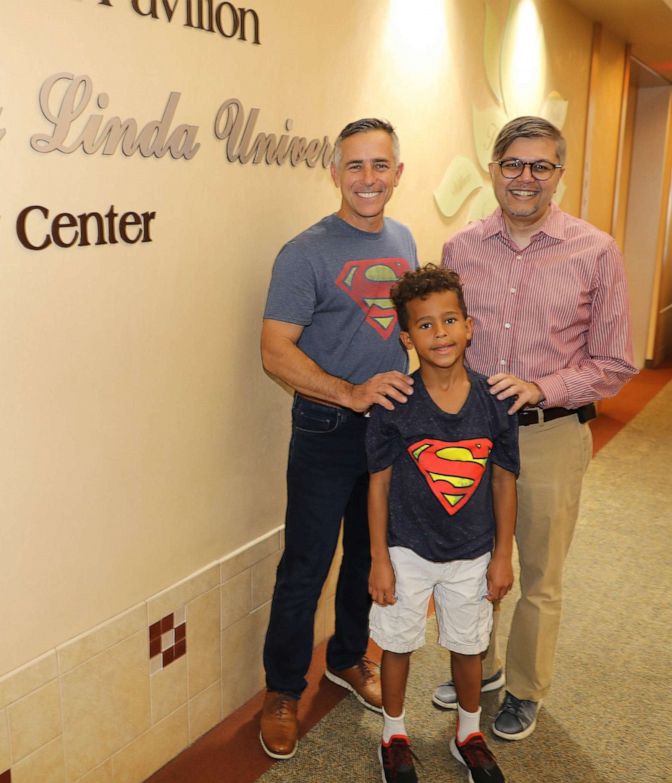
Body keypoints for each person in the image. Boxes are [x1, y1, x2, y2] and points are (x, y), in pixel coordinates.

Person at [436, 116, 637, 741]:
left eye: (541, 166)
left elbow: (616, 362)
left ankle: (525, 689)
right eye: (513, 165)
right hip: (471, 435)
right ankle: (484, 668)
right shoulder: (460, 248)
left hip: (549, 436)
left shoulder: (596, 250)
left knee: (540, 574)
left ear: (559, 175)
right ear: (494, 170)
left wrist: (542, 387)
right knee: (471, 565)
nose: (526, 178)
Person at [258, 118, 418, 760]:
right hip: (327, 429)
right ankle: (281, 691)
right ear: (334, 172)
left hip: (388, 431)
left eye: (380, 166)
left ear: (398, 174)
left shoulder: (403, 238)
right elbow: (274, 352)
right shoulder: (305, 252)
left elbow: (397, 324)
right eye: (355, 166)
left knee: (365, 556)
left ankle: (349, 658)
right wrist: (349, 392)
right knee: (306, 565)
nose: (368, 179)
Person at [367, 264, 518, 783]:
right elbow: (379, 484)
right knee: (397, 642)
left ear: (469, 325)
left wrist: (502, 555)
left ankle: (468, 733)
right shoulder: (394, 404)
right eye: (425, 325)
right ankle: (394, 735)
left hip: (473, 551)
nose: (440, 334)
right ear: (407, 337)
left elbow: (503, 481)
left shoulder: (496, 402)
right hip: (406, 550)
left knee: (470, 644)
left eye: (449, 320)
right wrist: (380, 560)